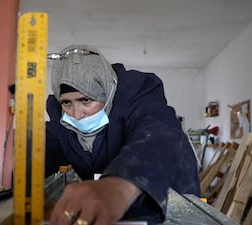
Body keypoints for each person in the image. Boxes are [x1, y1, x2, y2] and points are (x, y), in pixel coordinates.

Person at [45, 45, 200, 225]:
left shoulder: (137, 92)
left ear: (108, 92)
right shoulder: (61, 118)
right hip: (119, 211)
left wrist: (119, 187)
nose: (77, 114)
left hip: (172, 202)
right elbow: (44, 148)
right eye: (66, 103)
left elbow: (157, 133)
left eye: (86, 100)